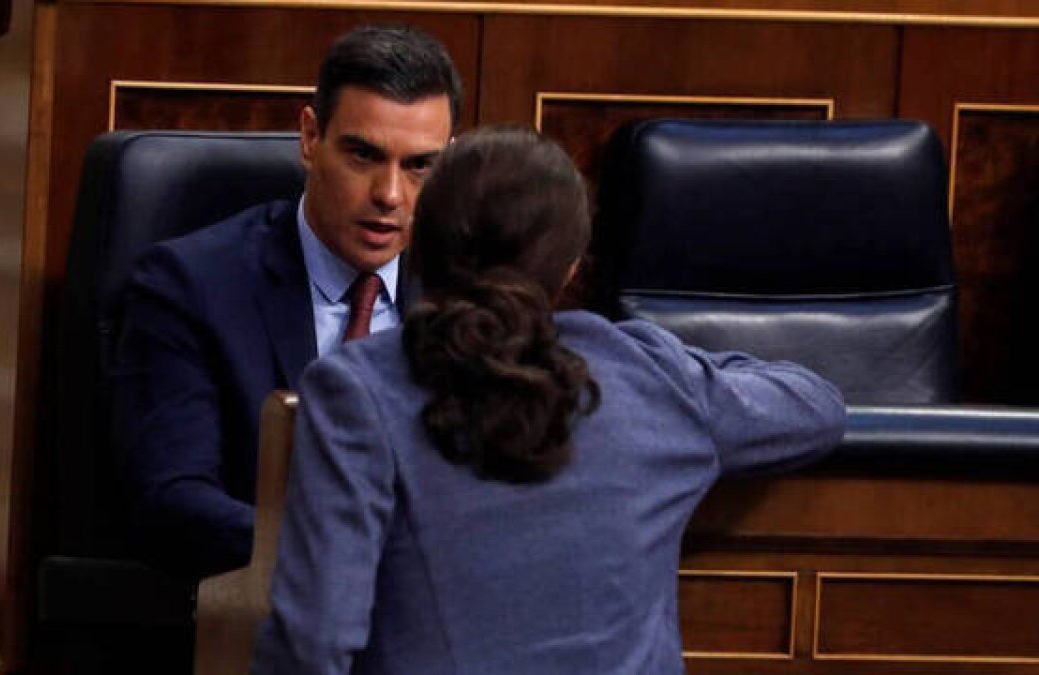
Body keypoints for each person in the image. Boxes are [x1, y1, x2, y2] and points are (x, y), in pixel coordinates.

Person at [252, 126, 846, 674]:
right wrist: (682, 363)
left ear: (422, 249)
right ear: (569, 268)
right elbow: (816, 405)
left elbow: (313, 645)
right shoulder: (651, 372)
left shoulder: (354, 391)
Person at [111, 25, 462, 578]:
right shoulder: (191, 286)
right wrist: (344, 555)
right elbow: (172, 500)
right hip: (266, 607)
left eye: (420, 165)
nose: (390, 195)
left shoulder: (466, 295)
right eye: (363, 155)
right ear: (309, 137)